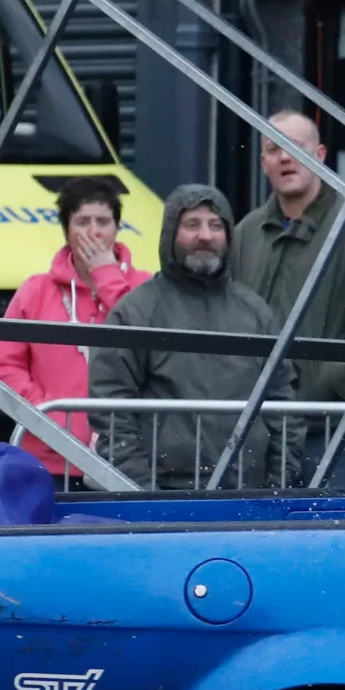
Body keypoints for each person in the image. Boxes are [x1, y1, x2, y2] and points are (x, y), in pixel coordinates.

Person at [232, 110, 345, 486]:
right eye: (273, 149)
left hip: (330, 431)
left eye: (296, 147)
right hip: (256, 432)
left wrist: (324, 386)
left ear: (321, 155)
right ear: (263, 162)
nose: (285, 157)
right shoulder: (246, 234)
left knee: (331, 537)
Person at [91, 184, 298, 490]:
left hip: (250, 495)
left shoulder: (255, 311)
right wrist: (146, 493)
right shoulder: (137, 311)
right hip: (167, 495)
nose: (205, 235)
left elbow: (283, 402)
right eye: (192, 225)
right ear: (171, 233)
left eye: (216, 226)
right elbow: (112, 411)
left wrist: (279, 482)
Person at [0, 176, 144, 478]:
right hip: (48, 456)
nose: (94, 232)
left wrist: (106, 277)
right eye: (83, 222)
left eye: (103, 221)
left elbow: (146, 342)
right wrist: (48, 414)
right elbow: (6, 367)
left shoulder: (144, 287)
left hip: (127, 457)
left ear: (117, 229)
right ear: (66, 231)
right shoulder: (35, 290)